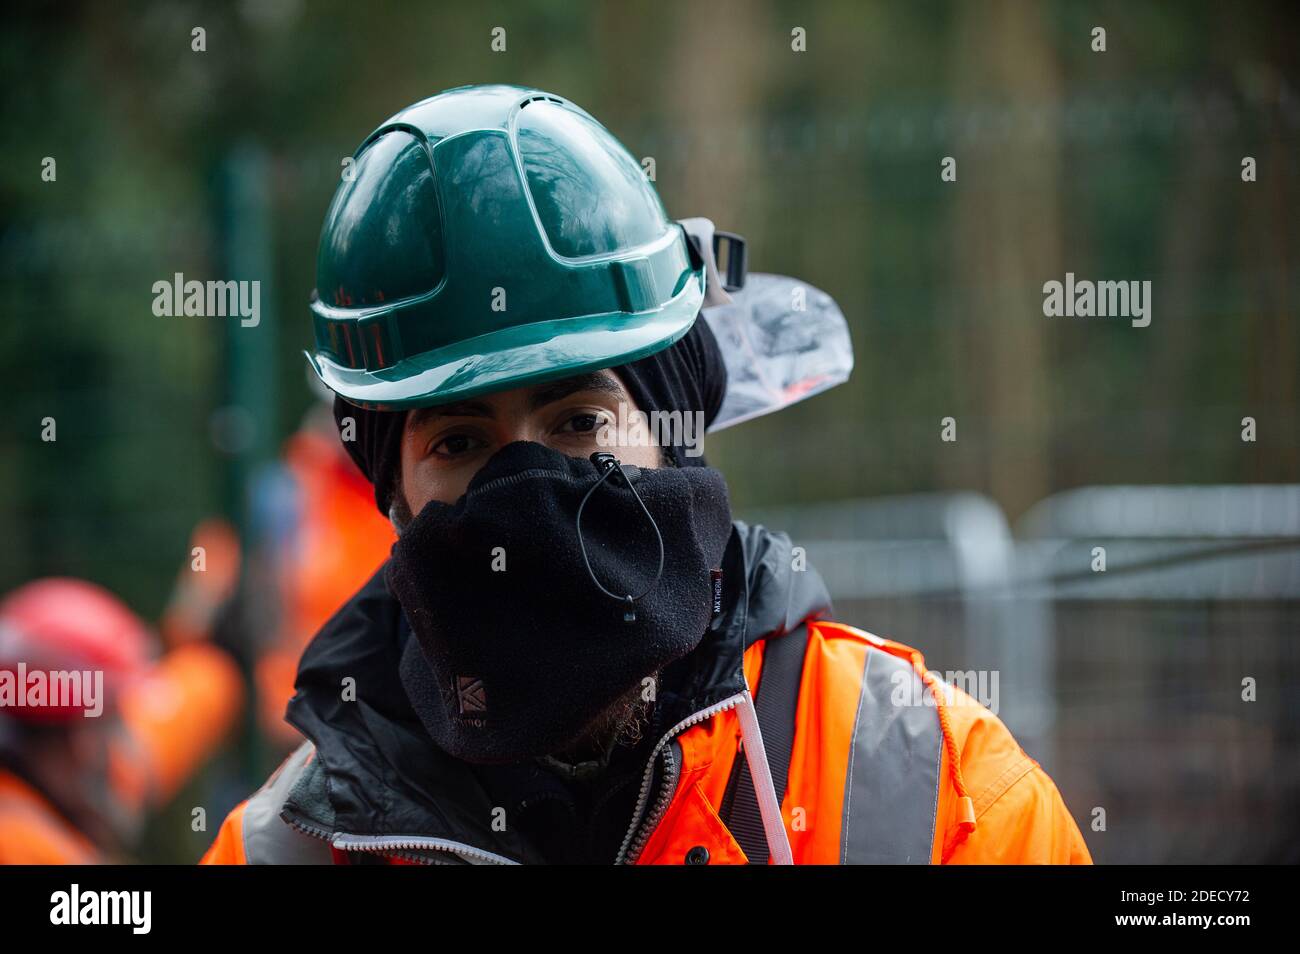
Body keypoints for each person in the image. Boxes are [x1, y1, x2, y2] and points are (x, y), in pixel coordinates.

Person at [202, 84, 1091, 865]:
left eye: (581, 421)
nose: (530, 488)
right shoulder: (285, 849)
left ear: (677, 437)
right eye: (459, 443)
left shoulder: (941, 797)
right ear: (389, 493)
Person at [0, 578, 243, 863]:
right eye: (115, 722)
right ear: (81, 739)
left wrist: (213, 654)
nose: (123, 742)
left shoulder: (62, 783)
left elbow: (182, 710)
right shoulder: (30, 846)